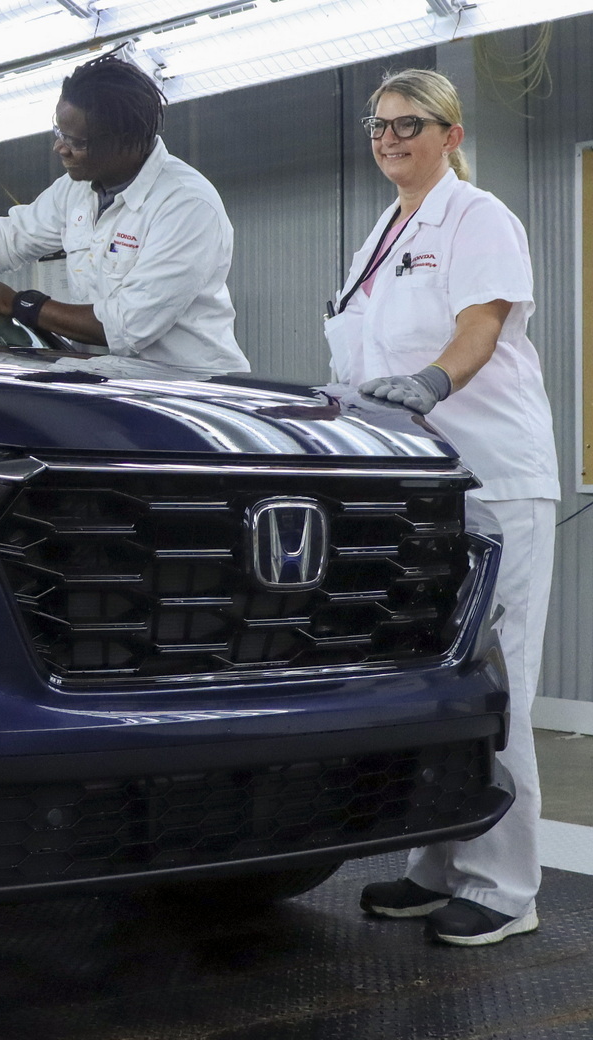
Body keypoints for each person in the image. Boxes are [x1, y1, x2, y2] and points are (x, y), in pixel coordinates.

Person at [332, 70, 557, 947]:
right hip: (417, 490)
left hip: (494, 480)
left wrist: (432, 382)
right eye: (379, 124)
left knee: (497, 683)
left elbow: (480, 326)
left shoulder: (477, 216)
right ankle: (437, 865)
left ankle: (506, 886)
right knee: (433, 683)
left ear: (451, 135)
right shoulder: (385, 233)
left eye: (409, 124)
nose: (389, 138)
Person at [0, 54, 247, 377]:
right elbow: (5, 238)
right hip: (113, 382)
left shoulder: (185, 206)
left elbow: (127, 325)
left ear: (125, 140)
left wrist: (18, 303)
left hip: (189, 390)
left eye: (77, 142)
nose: (60, 147)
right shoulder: (78, 189)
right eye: (59, 131)